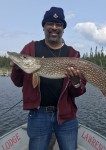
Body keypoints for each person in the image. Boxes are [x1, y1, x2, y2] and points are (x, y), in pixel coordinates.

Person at [10, 6, 87, 150]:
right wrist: (16, 67)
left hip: (66, 115)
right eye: (50, 23)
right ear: (44, 27)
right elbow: (17, 82)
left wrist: (76, 83)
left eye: (58, 24)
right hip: (38, 115)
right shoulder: (30, 48)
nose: (54, 27)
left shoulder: (72, 53)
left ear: (63, 28)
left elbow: (79, 90)